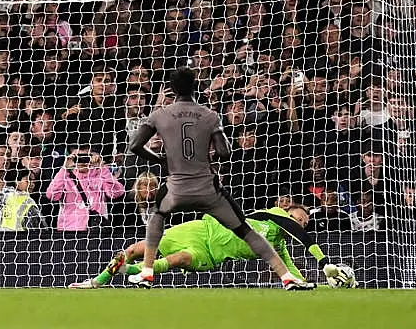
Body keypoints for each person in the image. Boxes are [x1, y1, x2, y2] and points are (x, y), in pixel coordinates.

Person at [127, 67, 313, 290]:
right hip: (206, 187)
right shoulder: (210, 115)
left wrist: (161, 161)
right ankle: (287, 277)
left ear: (173, 89)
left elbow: (135, 146)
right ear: (195, 87)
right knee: (245, 230)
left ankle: (147, 271)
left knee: (158, 217)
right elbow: (225, 153)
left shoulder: (159, 115)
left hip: (176, 186)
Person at [69, 204, 353, 289]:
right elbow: (300, 235)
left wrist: (324, 284)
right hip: (200, 228)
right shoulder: (275, 215)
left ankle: (133, 271)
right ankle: (96, 281)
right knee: (135, 248)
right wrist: (324, 261)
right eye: (297, 217)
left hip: (211, 252)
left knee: (180, 258)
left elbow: (293, 274)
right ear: (285, 210)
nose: (299, 223)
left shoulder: (276, 248)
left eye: (304, 221)